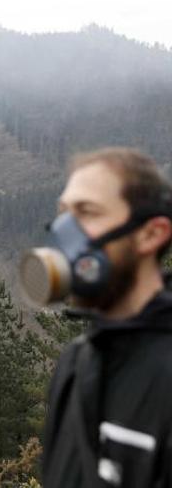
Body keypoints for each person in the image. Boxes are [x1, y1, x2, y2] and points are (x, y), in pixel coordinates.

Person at [39, 148, 172, 487]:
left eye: (87, 213)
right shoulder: (75, 362)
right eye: (63, 213)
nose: (65, 232)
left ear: (151, 234)